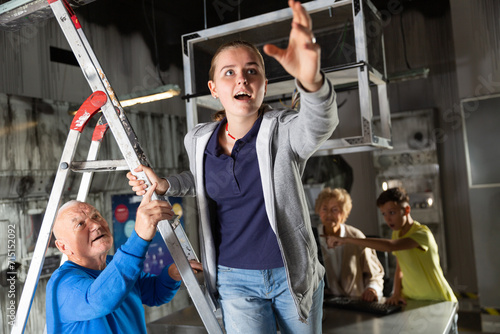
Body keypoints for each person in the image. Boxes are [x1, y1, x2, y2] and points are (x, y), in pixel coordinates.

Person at [127, 1, 338, 332]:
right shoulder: (197, 140)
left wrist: (312, 82)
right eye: (230, 72)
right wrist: (167, 185)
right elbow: (203, 179)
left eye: (252, 70)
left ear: (264, 85)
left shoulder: (284, 131)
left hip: (291, 273)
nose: (242, 78)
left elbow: (319, 124)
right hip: (233, 278)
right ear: (214, 90)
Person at [46, 183, 203, 334]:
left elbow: (154, 292)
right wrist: (139, 237)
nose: (95, 225)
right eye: (80, 224)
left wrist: (171, 274)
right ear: (64, 247)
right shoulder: (63, 285)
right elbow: (101, 299)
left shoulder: (113, 265)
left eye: (96, 216)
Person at [324, 187, 457, 305]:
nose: (387, 219)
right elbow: (400, 268)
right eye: (384, 214)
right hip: (411, 300)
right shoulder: (396, 233)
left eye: (391, 212)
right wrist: (396, 293)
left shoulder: (422, 234)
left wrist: (347, 239)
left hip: (437, 300)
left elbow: (390, 246)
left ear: (406, 210)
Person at [315, 187, 385, 302]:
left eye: (334, 210)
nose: (329, 214)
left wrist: (372, 289)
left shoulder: (356, 236)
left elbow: (375, 274)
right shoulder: (312, 237)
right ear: (318, 211)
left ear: (344, 212)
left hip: (355, 303)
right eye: (324, 209)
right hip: (324, 304)